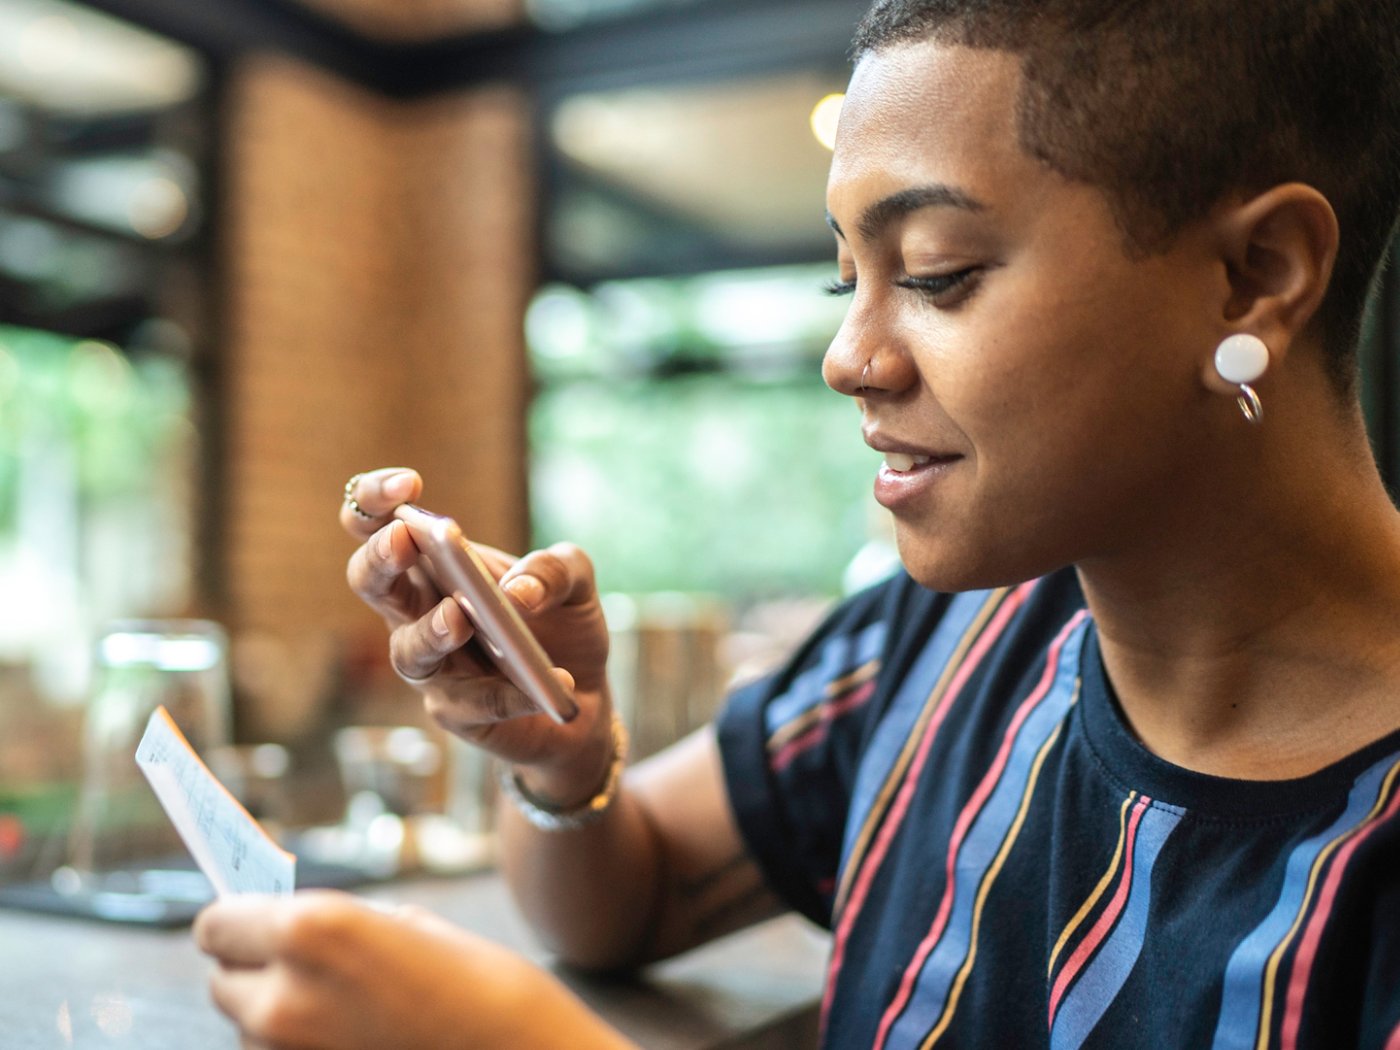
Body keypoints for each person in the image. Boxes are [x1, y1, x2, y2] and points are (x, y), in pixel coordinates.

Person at [194, 0, 1400, 1046]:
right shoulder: (942, 647)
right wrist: (561, 763)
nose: (848, 358)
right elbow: (633, 889)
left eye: (933, 273)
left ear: (1254, 277)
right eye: (844, 280)